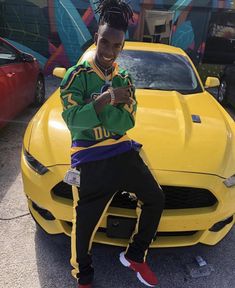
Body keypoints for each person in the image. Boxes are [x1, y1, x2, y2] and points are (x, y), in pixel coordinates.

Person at [60, 1, 165, 287]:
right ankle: (83, 276)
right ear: (96, 38)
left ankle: (135, 255)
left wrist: (96, 111)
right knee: (84, 226)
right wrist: (107, 100)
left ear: (122, 45)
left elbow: (126, 123)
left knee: (156, 198)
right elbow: (73, 121)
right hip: (90, 159)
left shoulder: (125, 79)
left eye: (115, 45)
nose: (108, 52)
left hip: (122, 152)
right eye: (104, 42)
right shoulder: (76, 76)